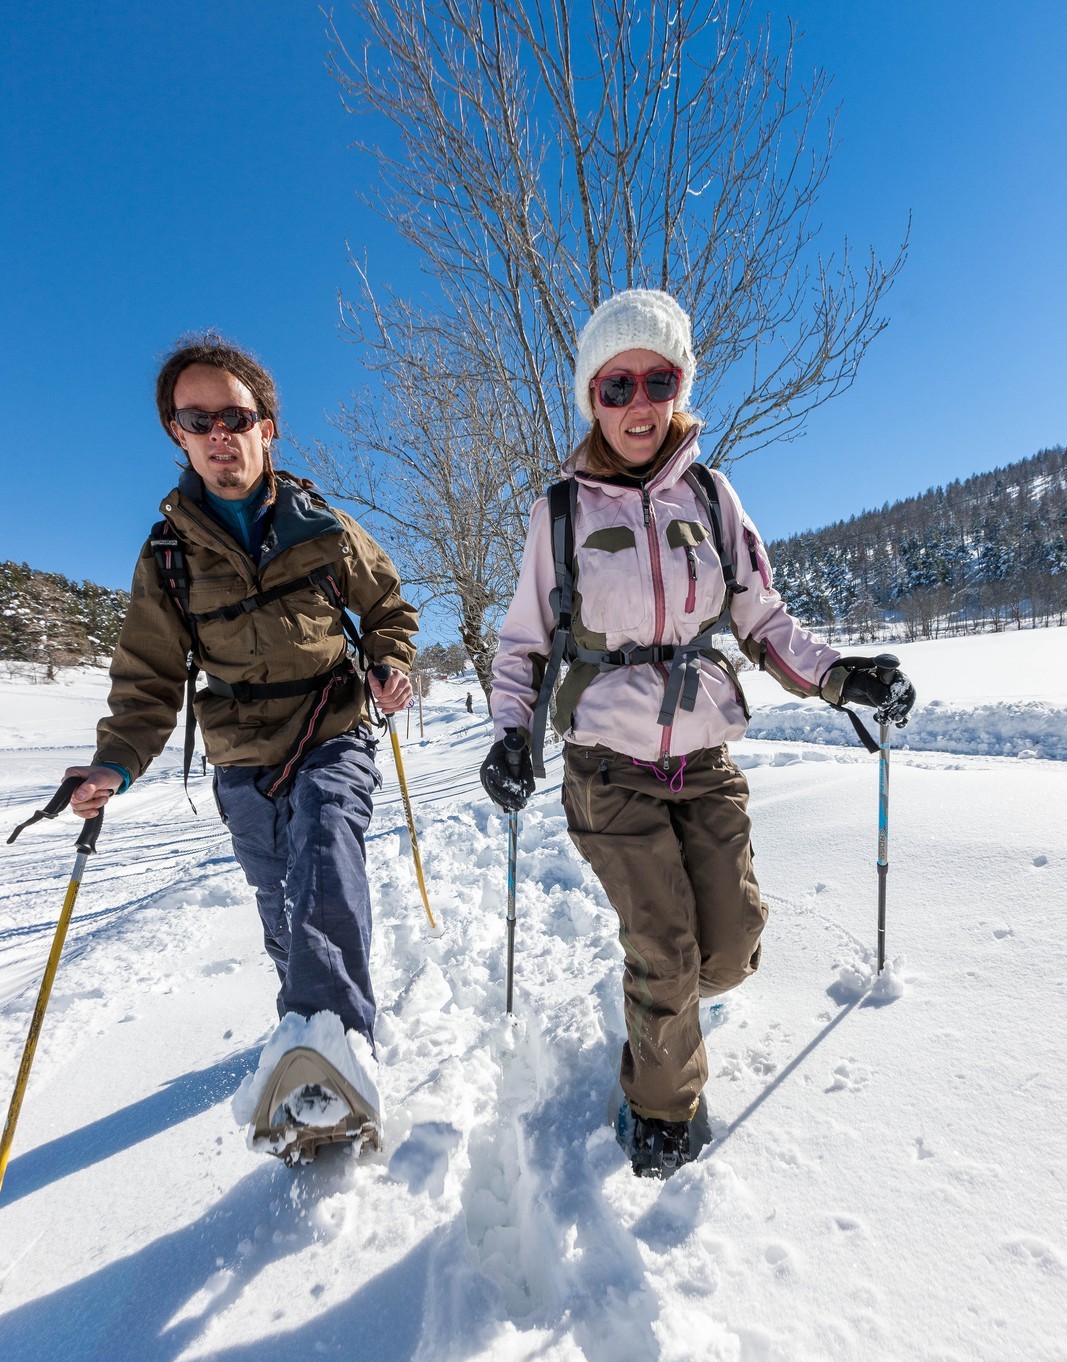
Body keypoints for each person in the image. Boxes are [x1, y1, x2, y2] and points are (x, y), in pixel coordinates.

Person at [480, 289, 914, 1178]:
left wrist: (839, 675)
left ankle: (656, 1010)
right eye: (615, 385)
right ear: (590, 397)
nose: (638, 402)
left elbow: (763, 618)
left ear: (680, 387)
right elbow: (523, 641)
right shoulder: (558, 514)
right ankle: (659, 1113)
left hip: (704, 758)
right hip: (606, 764)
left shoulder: (712, 497)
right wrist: (509, 734)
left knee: (728, 948)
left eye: (657, 379)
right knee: (665, 950)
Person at [64, 334, 418, 1161]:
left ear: (268, 427)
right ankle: (304, 1023)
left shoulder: (326, 529)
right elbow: (148, 679)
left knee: (327, 846)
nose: (221, 432)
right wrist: (114, 762)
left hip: (331, 725)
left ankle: (334, 1047)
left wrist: (389, 664)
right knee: (278, 899)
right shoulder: (167, 558)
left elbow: (391, 608)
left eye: (236, 415)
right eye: (199, 418)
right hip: (239, 756)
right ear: (176, 434)